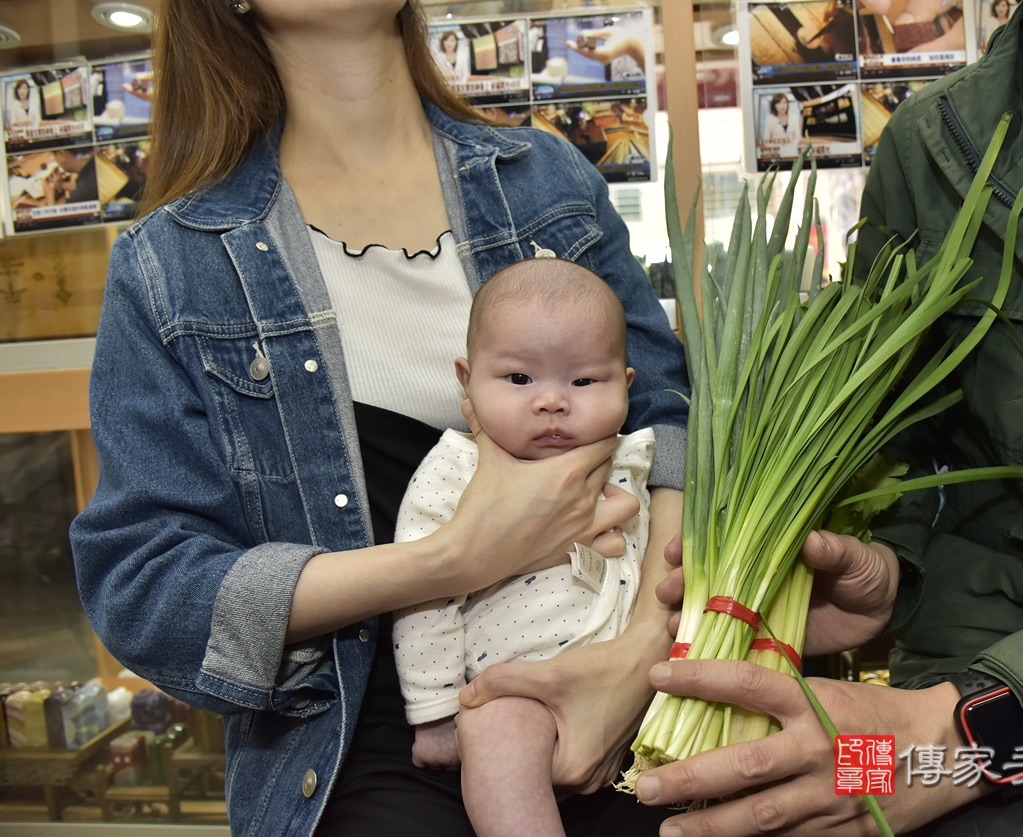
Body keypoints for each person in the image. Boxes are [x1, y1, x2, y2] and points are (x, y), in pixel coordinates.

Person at [634, 0, 1023, 834]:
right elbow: (908, 435)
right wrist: (891, 567)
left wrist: (974, 726)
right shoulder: (939, 136)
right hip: (951, 699)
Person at [68, 1, 688, 835]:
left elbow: (670, 421)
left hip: (638, 677)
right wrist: (450, 559)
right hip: (370, 739)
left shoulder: (545, 179)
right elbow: (145, 587)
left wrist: (640, 654)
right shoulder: (174, 263)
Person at [394, 257, 654, 837]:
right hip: (520, 684)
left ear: (626, 385)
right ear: (467, 380)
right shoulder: (456, 472)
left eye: (584, 381)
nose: (552, 402)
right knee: (496, 729)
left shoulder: (635, 458)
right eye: (519, 380)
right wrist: (434, 715)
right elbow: (421, 598)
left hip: (639, 681)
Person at [761, 92, 802, 160]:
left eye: (784, 102)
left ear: (787, 104)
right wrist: (779, 148)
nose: (782, 106)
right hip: (777, 153)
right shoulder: (770, 119)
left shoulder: (794, 117)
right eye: (779, 103)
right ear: (774, 105)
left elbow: (798, 136)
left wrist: (791, 147)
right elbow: (766, 140)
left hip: (792, 151)